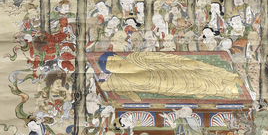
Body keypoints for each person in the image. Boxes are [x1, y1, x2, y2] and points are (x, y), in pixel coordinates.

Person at [97, 50, 243, 102]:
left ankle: (229, 77)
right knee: (201, 87)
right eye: (110, 66)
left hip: (171, 70)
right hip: (169, 87)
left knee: (200, 70)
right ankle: (230, 90)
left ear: (117, 56)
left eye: (113, 60)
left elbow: (161, 57)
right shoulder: (118, 80)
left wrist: (178, 61)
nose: (115, 65)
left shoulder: (136, 57)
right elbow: (104, 86)